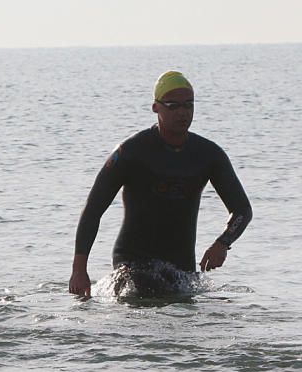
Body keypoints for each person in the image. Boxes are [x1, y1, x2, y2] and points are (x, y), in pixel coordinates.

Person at [69, 71, 253, 297]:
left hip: (181, 269)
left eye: (188, 105)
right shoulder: (131, 152)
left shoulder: (208, 155)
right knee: (146, 291)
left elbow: (242, 210)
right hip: (133, 265)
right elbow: (93, 209)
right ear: (156, 107)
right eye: (173, 106)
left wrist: (223, 243)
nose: (183, 112)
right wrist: (79, 270)